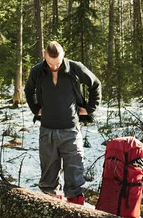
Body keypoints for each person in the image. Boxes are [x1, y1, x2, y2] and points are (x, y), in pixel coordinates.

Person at [25, 41, 101, 205]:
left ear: (63, 56)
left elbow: (95, 84)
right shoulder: (37, 71)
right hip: (47, 132)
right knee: (48, 181)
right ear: (45, 56)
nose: (54, 67)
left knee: (74, 178)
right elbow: (29, 90)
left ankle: (76, 211)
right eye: (50, 63)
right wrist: (36, 109)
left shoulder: (75, 68)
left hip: (70, 132)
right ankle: (52, 209)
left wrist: (89, 109)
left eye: (57, 63)